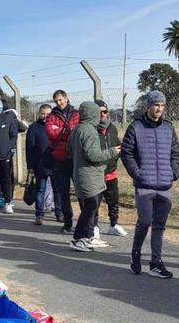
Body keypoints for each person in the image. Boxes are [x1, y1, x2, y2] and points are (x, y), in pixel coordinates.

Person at [121, 91, 179, 279]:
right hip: (144, 185)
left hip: (164, 185)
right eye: (156, 105)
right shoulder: (135, 127)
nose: (159, 109)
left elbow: (175, 152)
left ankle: (156, 262)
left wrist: (173, 172)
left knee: (159, 225)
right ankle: (135, 253)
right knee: (145, 221)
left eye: (162, 105)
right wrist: (137, 174)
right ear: (148, 106)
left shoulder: (168, 128)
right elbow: (127, 153)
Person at [67, 102, 120, 252]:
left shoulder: (76, 129)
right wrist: (112, 152)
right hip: (89, 176)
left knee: (90, 206)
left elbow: (69, 150)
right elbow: (93, 155)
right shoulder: (89, 131)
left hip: (81, 174)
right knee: (90, 207)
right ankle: (79, 238)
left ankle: (88, 236)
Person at [45, 90, 80, 231]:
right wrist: (68, 130)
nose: (59, 103)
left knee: (81, 192)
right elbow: (50, 132)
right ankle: (67, 222)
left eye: (60, 99)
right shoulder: (52, 116)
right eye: (56, 101)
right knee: (63, 193)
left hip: (76, 158)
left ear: (66, 98)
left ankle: (84, 224)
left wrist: (61, 129)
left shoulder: (77, 114)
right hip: (59, 159)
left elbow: (79, 132)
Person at [94, 100, 127, 238]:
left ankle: (114, 224)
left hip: (111, 173)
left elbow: (117, 144)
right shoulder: (91, 129)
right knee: (94, 203)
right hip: (96, 174)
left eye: (105, 111)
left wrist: (116, 156)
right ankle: (94, 226)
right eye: (99, 112)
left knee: (113, 201)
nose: (102, 114)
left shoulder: (112, 128)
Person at [26, 104, 54, 226]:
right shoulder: (34, 128)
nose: (45, 116)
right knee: (41, 189)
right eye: (43, 113)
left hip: (55, 163)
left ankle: (59, 213)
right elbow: (29, 148)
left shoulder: (55, 125)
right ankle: (39, 215)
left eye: (48, 114)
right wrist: (30, 165)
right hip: (40, 164)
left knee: (57, 190)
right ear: (39, 114)